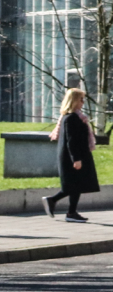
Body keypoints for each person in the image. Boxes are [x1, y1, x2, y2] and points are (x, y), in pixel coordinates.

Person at [43, 88, 100, 223]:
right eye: (81, 99)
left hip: (78, 154)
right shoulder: (71, 118)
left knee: (76, 184)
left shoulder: (74, 117)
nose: (83, 102)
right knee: (73, 185)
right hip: (73, 157)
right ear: (74, 101)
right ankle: (55, 202)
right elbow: (71, 140)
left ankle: (70, 212)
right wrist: (76, 159)